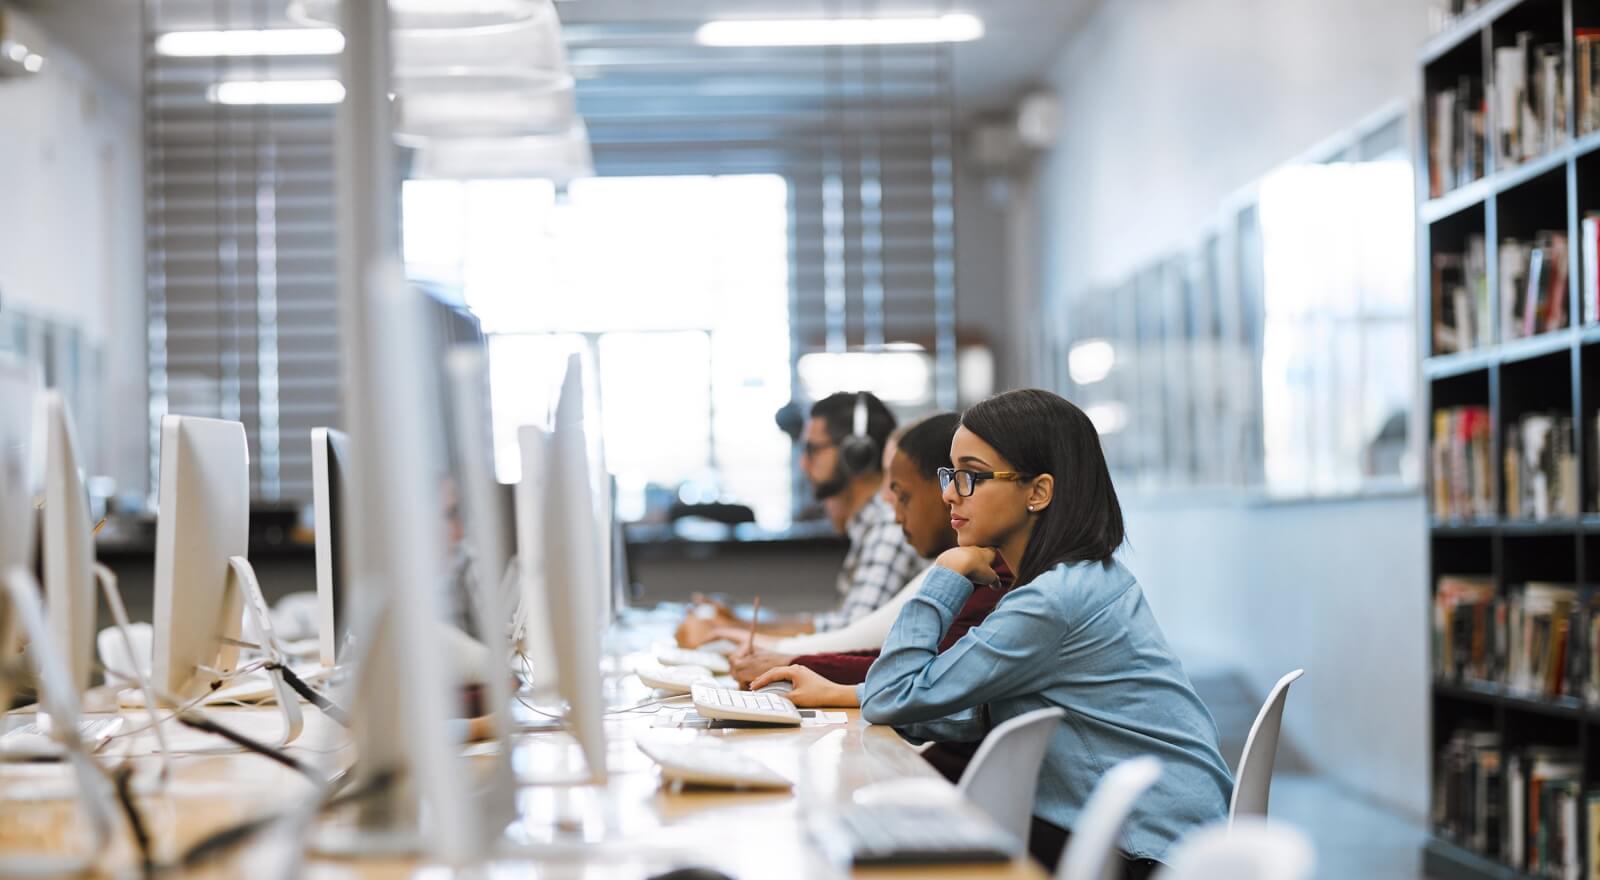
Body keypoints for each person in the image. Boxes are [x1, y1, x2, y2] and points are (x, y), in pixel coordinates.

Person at [765, 389, 1233, 877]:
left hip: (1149, 850)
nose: (949, 492)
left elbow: (895, 695)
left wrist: (946, 572)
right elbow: (979, 707)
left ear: (1038, 492)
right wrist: (847, 692)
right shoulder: (1081, 578)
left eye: (970, 475)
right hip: (1167, 828)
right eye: (951, 474)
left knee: (875, 840)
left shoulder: (1051, 601)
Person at [733, 413, 1002, 695]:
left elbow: (915, 681)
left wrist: (798, 666)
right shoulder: (978, 566)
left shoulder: (994, 578)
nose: (949, 494)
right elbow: (906, 669)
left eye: (969, 477)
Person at [677, 391, 922, 644]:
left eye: (812, 450)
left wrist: (731, 631)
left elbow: (849, 638)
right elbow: (839, 625)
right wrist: (739, 623)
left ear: (855, 455)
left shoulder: (889, 527)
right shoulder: (870, 526)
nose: (803, 464)